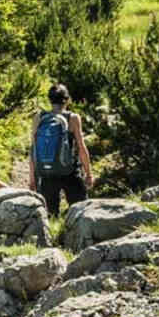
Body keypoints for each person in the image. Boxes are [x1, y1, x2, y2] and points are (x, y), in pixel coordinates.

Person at [29, 83, 94, 217]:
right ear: (67, 99)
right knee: (81, 212)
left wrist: (32, 178)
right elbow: (81, 147)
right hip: (69, 172)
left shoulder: (39, 118)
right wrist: (89, 173)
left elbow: (33, 149)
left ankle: (52, 238)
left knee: (50, 216)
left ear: (49, 99)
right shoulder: (72, 118)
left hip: (46, 173)